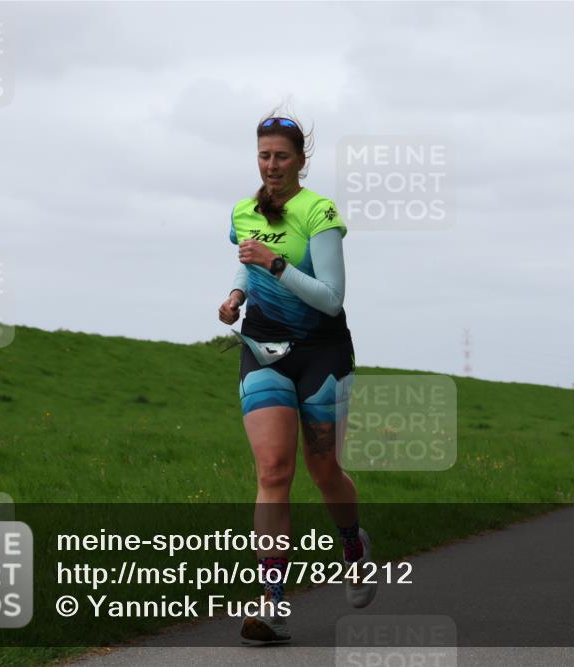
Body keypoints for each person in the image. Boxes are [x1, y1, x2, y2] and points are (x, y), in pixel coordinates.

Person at [219, 114, 376, 644]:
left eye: (281, 156)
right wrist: (236, 295)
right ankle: (271, 602)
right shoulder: (243, 211)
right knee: (272, 470)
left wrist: (277, 265)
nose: (272, 165)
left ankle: (352, 544)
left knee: (324, 468)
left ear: (300, 161)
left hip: (321, 355)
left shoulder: (319, 212)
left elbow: (331, 298)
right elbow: (247, 261)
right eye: (264, 155)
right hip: (263, 350)